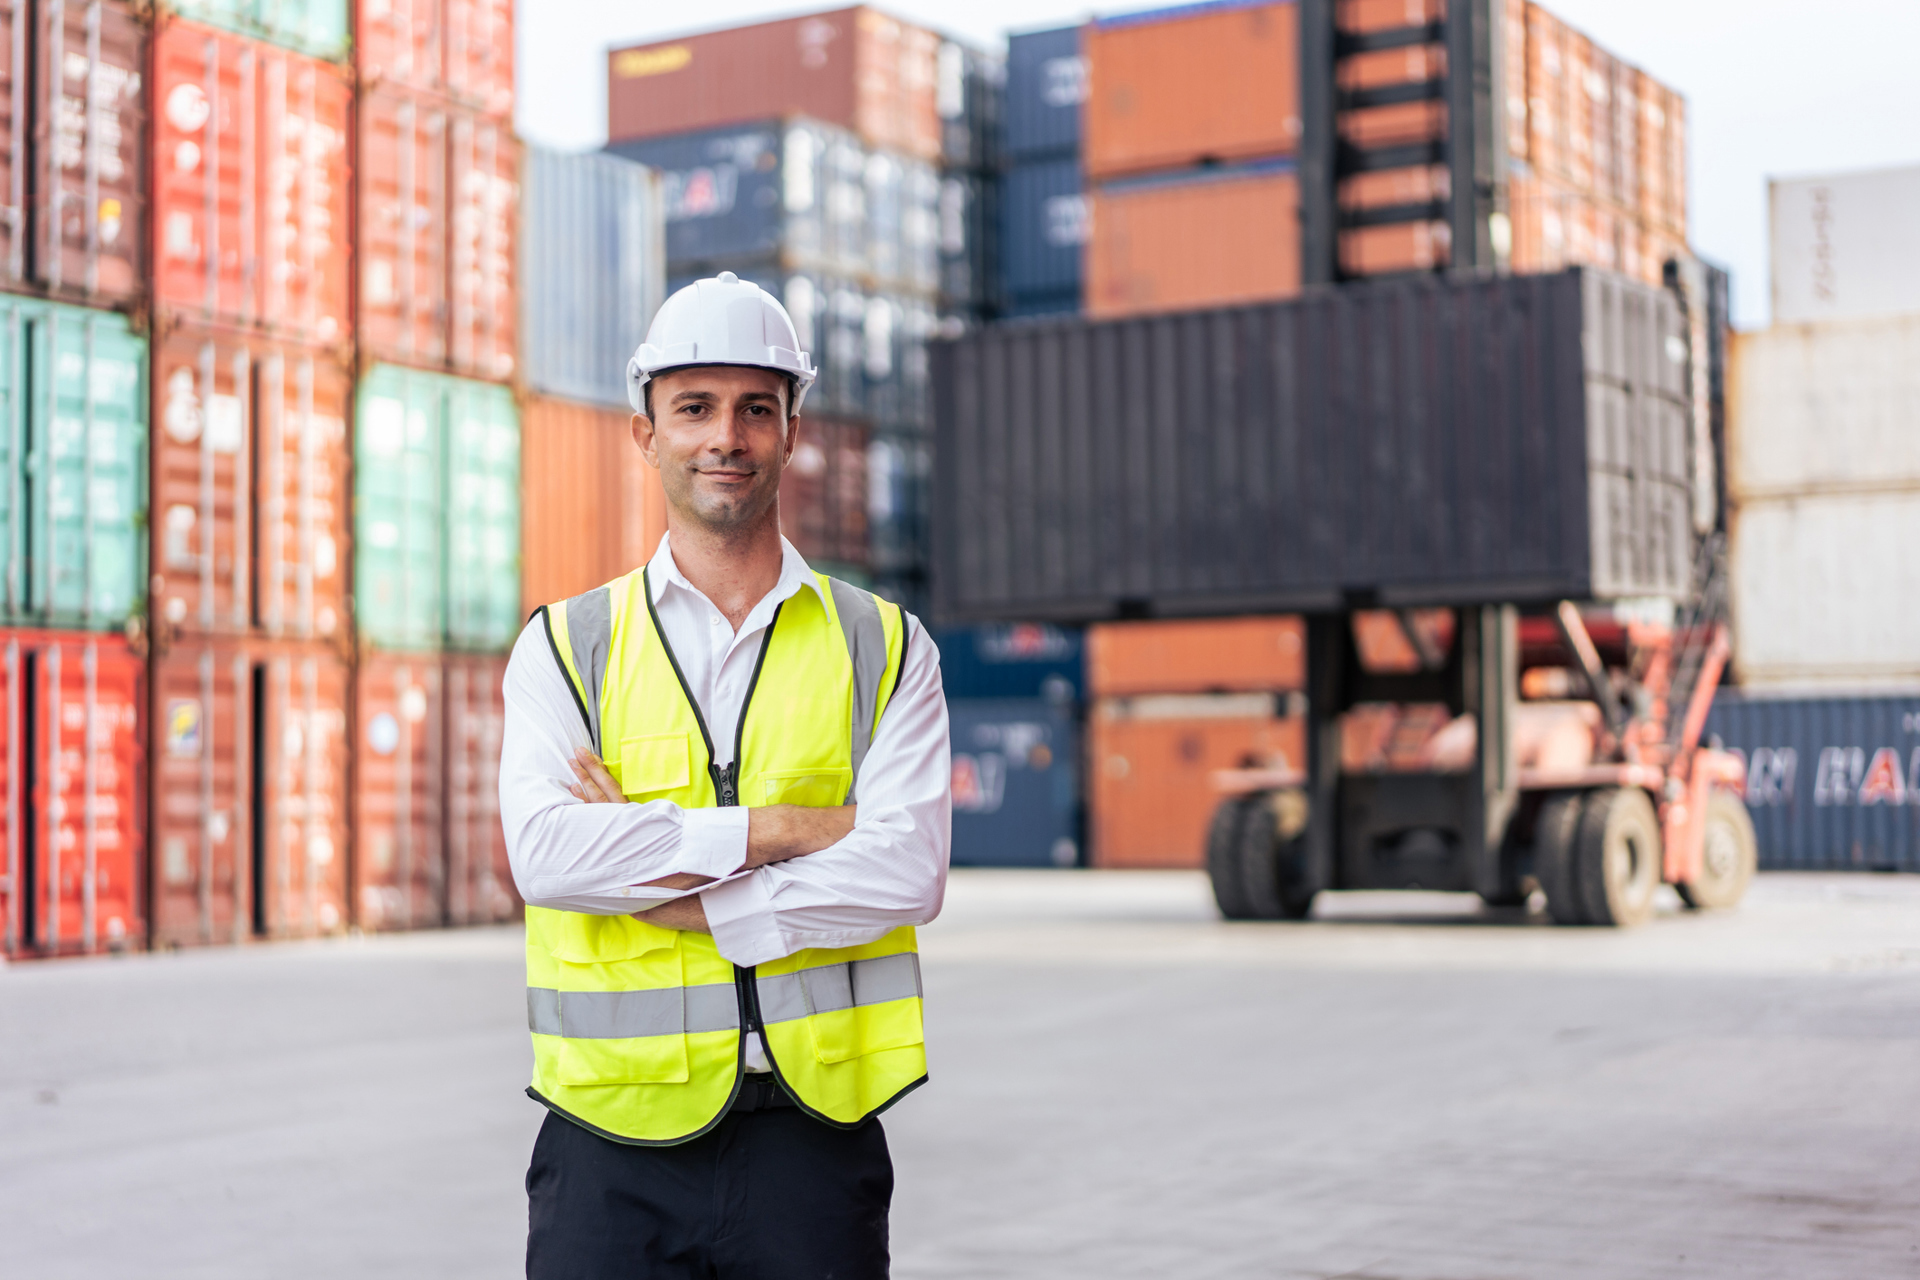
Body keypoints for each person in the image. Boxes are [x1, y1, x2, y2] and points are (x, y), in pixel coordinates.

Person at [499, 272, 952, 1279]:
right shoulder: (566, 646)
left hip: (813, 1138)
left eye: (756, 407)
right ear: (645, 433)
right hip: (608, 1140)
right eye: (694, 407)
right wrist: (788, 827)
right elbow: (548, 855)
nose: (727, 437)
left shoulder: (884, 644)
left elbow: (908, 870)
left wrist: (684, 901)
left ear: (793, 429)